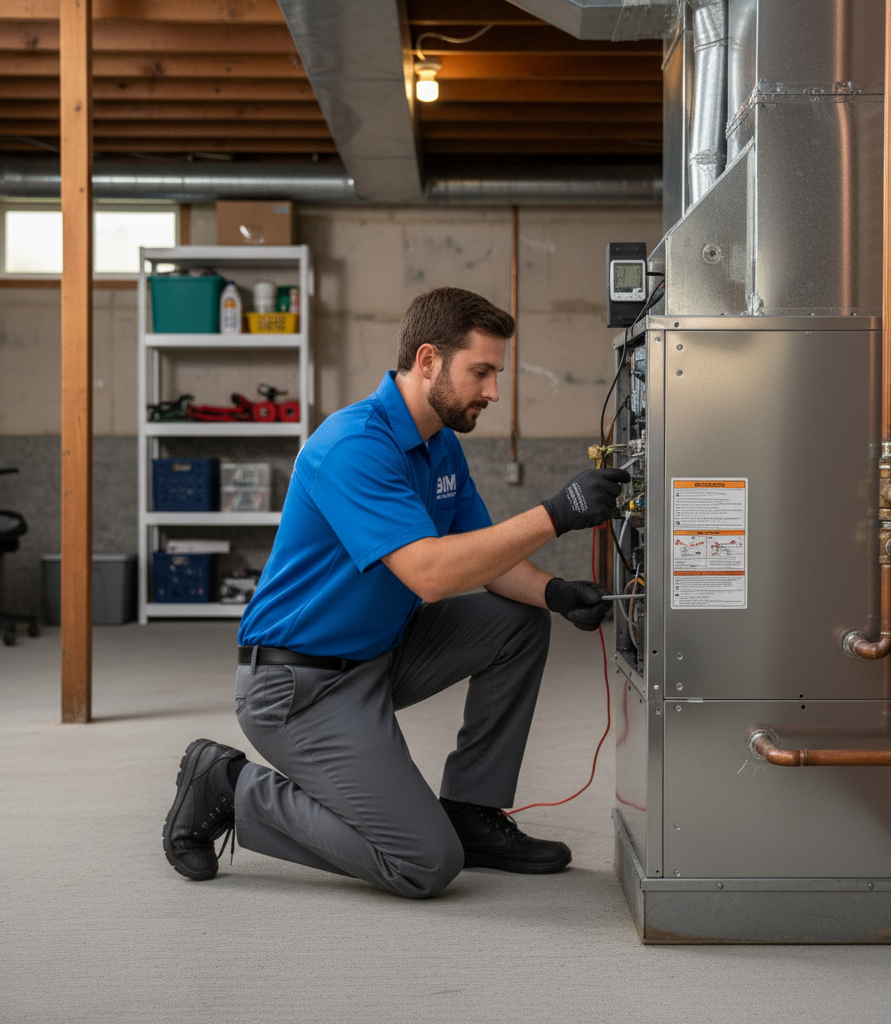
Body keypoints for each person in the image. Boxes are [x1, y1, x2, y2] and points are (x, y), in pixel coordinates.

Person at [162, 286, 629, 899]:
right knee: (425, 862)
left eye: (496, 374)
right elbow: (432, 575)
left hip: (379, 655)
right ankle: (226, 783)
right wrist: (557, 512)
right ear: (428, 360)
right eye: (481, 372)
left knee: (517, 621)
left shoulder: (440, 447)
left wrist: (554, 591)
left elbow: (484, 556)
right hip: (299, 686)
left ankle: (472, 809)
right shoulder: (354, 445)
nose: (492, 391)